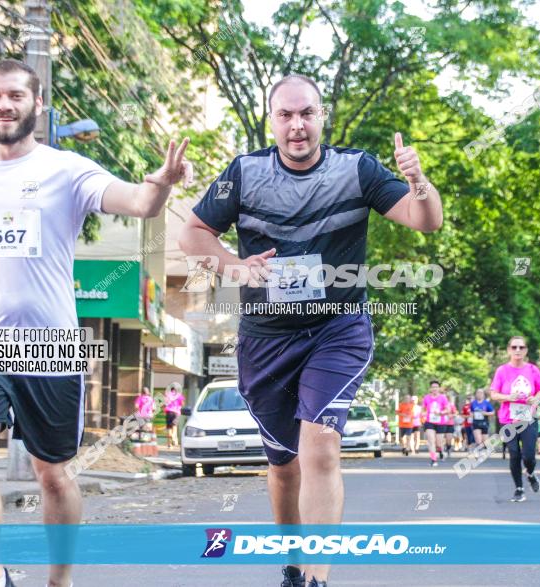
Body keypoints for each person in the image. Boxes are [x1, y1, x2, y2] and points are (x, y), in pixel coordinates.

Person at [0, 59, 193, 587]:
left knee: (53, 475)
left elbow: (140, 203)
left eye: (16, 96)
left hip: (50, 344)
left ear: (37, 105)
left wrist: (161, 183)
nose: (4, 105)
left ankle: (60, 579)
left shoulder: (67, 169)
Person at [177, 73, 442, 587]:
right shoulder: (244, 173)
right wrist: (235, 267)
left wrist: (419, 181)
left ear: (323, 116)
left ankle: (317, 577)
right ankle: (295, 567)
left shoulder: (357, 168)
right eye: (286, 115)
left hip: (336, 330)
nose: (297, 126)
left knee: (320, 442)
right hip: (266, 337)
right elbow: (192, 231)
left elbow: (424, 220)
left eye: (307, 114)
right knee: (282, 462)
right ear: (271, 121)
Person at [489, 336, 540, 503]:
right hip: (508, 418)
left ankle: (530, 473)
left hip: (528, 417)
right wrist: (508, 397)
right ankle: (519, 489)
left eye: (521, 347)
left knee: (529, 456)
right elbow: (493, 394)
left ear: (526, 350)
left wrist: (536, 399)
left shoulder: (532, 369)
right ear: (508, 350)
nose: (517, 350)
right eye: (514, 347)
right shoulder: (502, 371)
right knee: (514, 454)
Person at [422, 380, 450, 467]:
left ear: (439, 388)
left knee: (439, 443)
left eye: (436, 387)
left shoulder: (443, 398)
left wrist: (441, 413)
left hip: (440, 422)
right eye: (433, 387)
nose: (434, 389)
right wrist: (423, 413)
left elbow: (448, 410)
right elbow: (423, 409)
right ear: (430, 388)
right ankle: (433, 459)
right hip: (429, 422)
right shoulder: (426, 397)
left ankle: (441, 450)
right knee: (431, 441)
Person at [164, 384, 185, 449]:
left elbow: (164, 404)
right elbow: (182, 403)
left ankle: (169, 445)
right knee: (174, 426)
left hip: (168, 412)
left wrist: (164, 411)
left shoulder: (167, 395)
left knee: (169, 428)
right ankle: (173, 437)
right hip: (176, 412)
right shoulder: (179, 395)